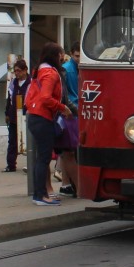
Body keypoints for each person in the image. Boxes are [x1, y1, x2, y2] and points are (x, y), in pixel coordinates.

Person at [24, 42, 71, 206]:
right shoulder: (50, 74)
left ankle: (40, 194)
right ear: (55, 56)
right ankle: (41, 196)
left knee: (41, 158)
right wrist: (62, 107)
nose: (63, 58)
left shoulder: (40, 71)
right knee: (43, 159)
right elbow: (45, 97)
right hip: (42, 118)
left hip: (35, 116)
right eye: (61, 55)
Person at [54, 45, 79, 196]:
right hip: (70, 113)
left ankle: (66, 184)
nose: (79, 59)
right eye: (76, 56)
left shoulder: (69, 68)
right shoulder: (68, 70)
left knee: (65, 151)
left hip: (70, 111)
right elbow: (68, 95)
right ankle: (72, 184)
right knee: (68, 151)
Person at [4, 58, 30, 173]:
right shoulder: (13, 83)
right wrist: (7, 113)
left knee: (28, 141)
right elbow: (9, 99)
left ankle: (30, 164)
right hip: (14, 116)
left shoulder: (31, 83)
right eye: (15, 71)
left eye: (19, 71)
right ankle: (11, 165)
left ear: (25, 70)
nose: (17, 73)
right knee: (12, 141)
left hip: (27, 117)